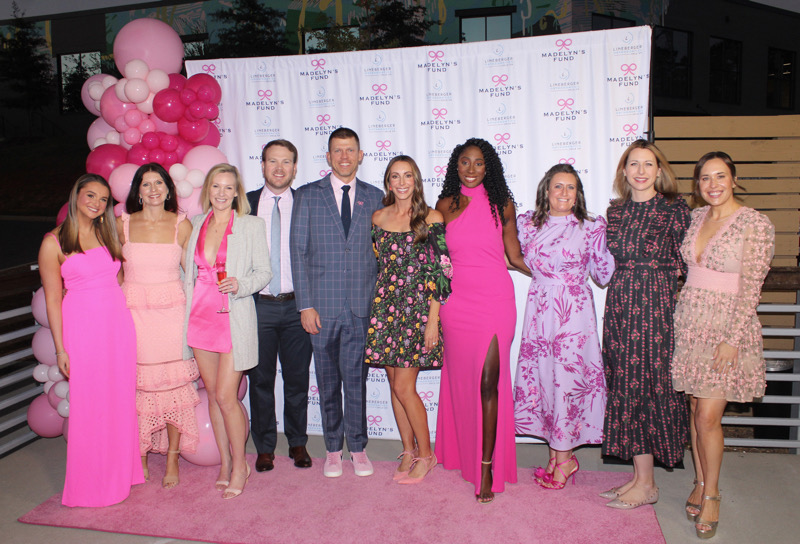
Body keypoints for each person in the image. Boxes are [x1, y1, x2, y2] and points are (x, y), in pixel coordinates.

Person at [672, 152, 774, 539]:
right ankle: (699, 481)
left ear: (733, 179)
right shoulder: (696, 217)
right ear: (697, 184)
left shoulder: (754, 223)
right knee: (694, 407)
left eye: (720, 176)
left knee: (708, 417)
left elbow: (752, 288)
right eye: (705, 178)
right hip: (691, 323)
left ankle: (712, 494)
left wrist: (732, 339)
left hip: (727, 326)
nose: (712, 184)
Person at [434, 137, 530, 503]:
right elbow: (437, 260)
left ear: (488, 166)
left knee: (489, 382)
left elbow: (515, 254)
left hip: (494, 301)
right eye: (464, 162)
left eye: (478, 162)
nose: (471, 169)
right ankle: (462, 453)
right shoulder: (444, 205)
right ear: (455, 166)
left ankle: (486, 467)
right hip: (456, 305)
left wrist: (552, 275)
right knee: (461, 382)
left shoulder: (501, 204)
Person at [38, 174, 143, 506]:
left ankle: (122, 471)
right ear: (76, 196)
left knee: (120, 400)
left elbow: (120, 278)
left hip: (117, 326)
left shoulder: (107, 232)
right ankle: (91, 484)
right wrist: (60, 349)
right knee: (90, 406)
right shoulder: (53, 243)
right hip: (82, 329)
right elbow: (53, 300)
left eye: (103, 199)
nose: (97, 204)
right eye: (91, 195)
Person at [600, 139, 691, 509]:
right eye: (633, 164)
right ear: (624, 171)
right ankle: (639, 477)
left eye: (648, 164)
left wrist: (670, 283)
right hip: (621, 305)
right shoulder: (616, 212)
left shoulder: (675, 209)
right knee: (625, 383)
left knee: (649, 386)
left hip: (655, 309)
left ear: (659, 170)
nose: (640, 171)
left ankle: (648, 485)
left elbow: (691, 260)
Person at [514, 163, 615, 489]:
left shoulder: (590, 227)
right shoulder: (527, 225)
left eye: (571, 187)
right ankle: (558, 456)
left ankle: (565, 458)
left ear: (578, 194)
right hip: (540, 312)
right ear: (546, 190)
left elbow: (603, 274)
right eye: (558, 186)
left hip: (574, 316)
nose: (564, 192)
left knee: (569, 382)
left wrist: (611, 239)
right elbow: (512, 258)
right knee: (546, 380)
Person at [290, 127, 384, 478]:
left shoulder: (376, 197)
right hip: (321, 308)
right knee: (327, 382)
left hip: (361, 307)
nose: (344, 156)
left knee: (356, 382)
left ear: (360, 156)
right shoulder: (307, 196)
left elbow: (382, 253)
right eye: (338, 151)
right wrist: (305, 305)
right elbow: (298, 252)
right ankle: (332, 449)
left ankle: (357, 448)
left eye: (350, 150)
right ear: (328, 157)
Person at [183, 163, 271, 499]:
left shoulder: (250, 225)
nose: (221, 193)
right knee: (212, 396)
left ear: (237, 193)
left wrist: (240, 284)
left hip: (233, 317)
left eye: (228, 187)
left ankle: (240, 466)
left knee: (225, 396)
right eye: (216, 186)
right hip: (200, 316)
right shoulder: (195, 223)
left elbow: (264, 272)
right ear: (208, 189)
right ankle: (224, 463)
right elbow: (187, 273)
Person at [366, 156, 452, 484]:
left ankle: (427, 456)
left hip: (417, 312)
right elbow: (380, 265)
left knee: (405, 386)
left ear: (416, 180)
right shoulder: (378, 217)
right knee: (394, 386)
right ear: (388, 182)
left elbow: (442, 272)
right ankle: (408, 450)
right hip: (386, 309)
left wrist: (433, 321)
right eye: (395, 176)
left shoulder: (431, 217)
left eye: (407, 176)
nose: (401, 182)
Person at [118, 163, 199, 489]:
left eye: (158, 183)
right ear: (137, 191)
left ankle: (172, 459)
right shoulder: (122, 223)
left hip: (171, 316)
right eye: (146, 184)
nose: (153, 189)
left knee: (173, 387)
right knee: (138, 388)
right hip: (132, 315)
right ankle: (138, 456)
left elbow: (193, 275)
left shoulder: (181, 224)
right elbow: (115, 271)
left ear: (168, 189)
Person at [246, 140, 313, 472]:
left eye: (286, 162)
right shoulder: (243, 204)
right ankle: (264, 447)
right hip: (257, 306)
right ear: (262, 165)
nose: (279, 168)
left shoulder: (307, 204)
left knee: (298, 380)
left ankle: (297, 442)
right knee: (260, 381)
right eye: (272, 161)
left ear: (295, 168)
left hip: (298, 306)